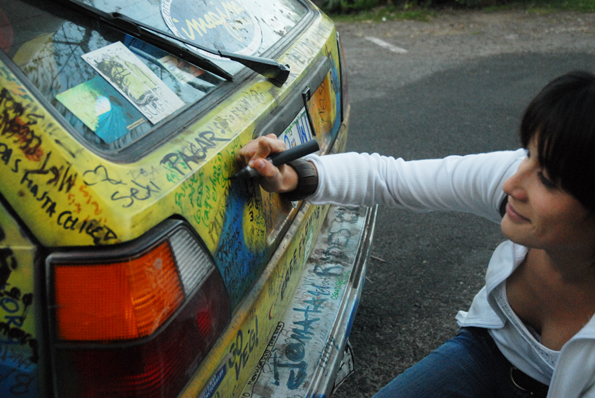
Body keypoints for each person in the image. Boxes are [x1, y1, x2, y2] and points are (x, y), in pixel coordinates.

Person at [236, 70, 595, 398]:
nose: (511, 182)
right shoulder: (512, 182)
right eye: (527, 154)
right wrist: (295, 175)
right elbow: (394, 179)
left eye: (546, 180)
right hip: (489, 353)